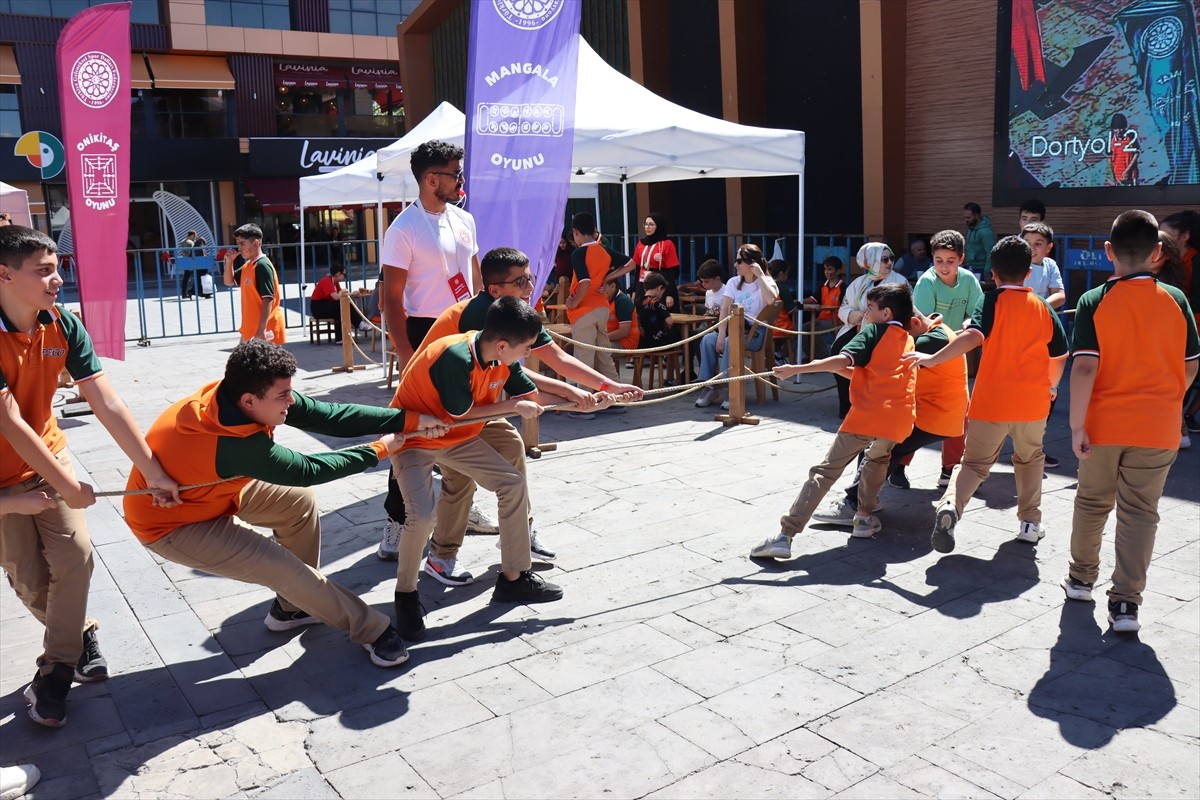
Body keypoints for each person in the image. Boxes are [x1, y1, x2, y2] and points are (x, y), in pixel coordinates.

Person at [124, 340, 449, 668]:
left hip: (215, 492)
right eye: (283, 396)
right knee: (283, 567)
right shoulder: (234, 443)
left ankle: (294, 607)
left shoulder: (241, 396)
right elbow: (307, 470)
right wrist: (380, 449)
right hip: (172, 524)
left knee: (299, 504)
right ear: (249, 400)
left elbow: (332, 416)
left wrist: (408, 420)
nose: (291, 401)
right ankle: (371, 629)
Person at [0, 225, 182, 727]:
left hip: (47, 458)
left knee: (75, 559)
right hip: (3, 481)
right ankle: (80, 634)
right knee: (30, 580)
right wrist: (66, 485)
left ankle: (54, 674)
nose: (58, 279)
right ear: (4, 274)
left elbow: (105, 400)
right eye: (44, 271)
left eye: (58, 267)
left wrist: (152, 470)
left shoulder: (63, 323)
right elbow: (9, 421)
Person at [376, 248, 638, 577]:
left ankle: (517, 539)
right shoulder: (480, 316)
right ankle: (434, 555)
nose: (530, 285)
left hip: (474, 401)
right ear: (495, 289)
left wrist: (602, 388)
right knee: (457, 479)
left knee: (511, 446)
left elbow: (544, 362)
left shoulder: (512, 313)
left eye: (529, 277)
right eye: (521, 280)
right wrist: (566, 392)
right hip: (437, 411)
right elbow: (510, 378)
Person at [391, 297, 602, 641]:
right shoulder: (455, 357)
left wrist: (582, 400)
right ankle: (406, 595)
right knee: (422, 516)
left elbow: (532, 397)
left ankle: (513, 579)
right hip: (414, 437)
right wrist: (514, 405)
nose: (527, 356)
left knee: (512, 483)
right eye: (526, 349)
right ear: (503, 345)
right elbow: (461, 413)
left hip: (457, 437)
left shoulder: (501, 356)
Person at [1062, 210, 1199, 633]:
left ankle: (1082, 579)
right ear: (1158, 252)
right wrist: (1168, 401)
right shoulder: (1176, 299)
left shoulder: (1094, 300)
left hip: (1103, 424)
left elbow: (1084, 369)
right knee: (1141, 513)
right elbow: (1191, 365)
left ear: (1108, 252)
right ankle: (1125, 604)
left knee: (1092, 502)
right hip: (1158, 427)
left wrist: (1076, 425)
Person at [905, 236, 1069, 555]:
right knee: (1030, 460)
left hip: (989, 402)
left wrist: (932, 358)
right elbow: (1059, 356)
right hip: (1033, 405)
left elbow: (972, 338)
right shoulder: (1044, 309)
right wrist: (1051, 386)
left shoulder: (991, 301)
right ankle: (1029, 524)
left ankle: (951, 506)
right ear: (1028, 273)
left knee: (974, 464)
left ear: (993, 273)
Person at [378, 140, 491, 555]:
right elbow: (391, 300)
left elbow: (476, 281)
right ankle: (396, 519)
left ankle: (462, 508)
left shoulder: (464, 219)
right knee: (412, 429)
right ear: (431, 179)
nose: (460, 181)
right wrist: (407, 355)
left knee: (466, 421)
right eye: (454, 174)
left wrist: (487, 328)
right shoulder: (403, 228)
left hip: (464, 328)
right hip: (425, 330)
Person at [750, 283, 917, 555]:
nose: (865, 314)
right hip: (897, 419)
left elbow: (842, 360)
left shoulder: (874, 330)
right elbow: (872, 375)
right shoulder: (907, 338)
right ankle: (863, 518)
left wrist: (797, 368)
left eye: (870, 309)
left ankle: (786, 535)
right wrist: (833, 369)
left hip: (868, 416)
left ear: (885, 313)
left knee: (825, 472)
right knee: (877, 461)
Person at [817, 305, 968, 521]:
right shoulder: (938, 329)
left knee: (877, 448)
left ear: (914, 324)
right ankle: (867, 500)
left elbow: (881, 379)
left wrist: (835, 366)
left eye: (900, 333)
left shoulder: (924, 342)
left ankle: (854, 505)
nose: (897, 338)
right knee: (882, 449)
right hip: (941, 415)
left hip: (934, 417)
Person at [695, 244, 780, 410]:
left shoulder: (767, 281)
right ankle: (709, 386)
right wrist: (720, 333)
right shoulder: (733, 282)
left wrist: (761, 276)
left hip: (755, 333)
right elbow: (725, 309)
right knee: (708, 339)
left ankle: (731, 388)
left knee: (729, 341)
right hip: (732, 329)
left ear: (752, 263)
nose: (735, 265)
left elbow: (771, 301)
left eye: (739, 261)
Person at [830, 243, 907, 417]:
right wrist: (856, 315)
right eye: (884, 259)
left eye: (891, 259)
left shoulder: (900, 282)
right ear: (870, 261)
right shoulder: (859, 283)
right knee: (838, 351)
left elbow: (907, 309)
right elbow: (844, 307)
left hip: (886, 332)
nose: (889, 263)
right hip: (856, 327)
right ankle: (847, 406)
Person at [566, 212, 634, 384]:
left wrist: (573, 302)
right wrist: (608, 278)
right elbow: (631, 263)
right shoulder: (604, 250)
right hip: (602, 307)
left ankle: (585, 405)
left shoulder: (578, 253)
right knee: (604, 356)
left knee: (584, 357)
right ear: (594, 230)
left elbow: (585, 282)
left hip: (584, 310)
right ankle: (614, 398)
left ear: (576, 232)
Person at [1021, 221, 1067, 468]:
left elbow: (1060, 294)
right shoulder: (1017, 263)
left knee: (1048, 390)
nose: (1033, 248)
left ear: (1048, 247)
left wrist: (1041, 306)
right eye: (1027, 243)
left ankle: (1036, 446)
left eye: (1038, 244)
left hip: (1044, 334)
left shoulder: (1050, 265)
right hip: (1019, 336)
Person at [1161, 211, 1200, 438]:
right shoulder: (1167, 258)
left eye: (1166, 234)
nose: (1160, 238)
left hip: (1190, 328)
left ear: (1184, 236)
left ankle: (1181, 422)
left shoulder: (1196, 261)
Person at [222, 223, 285, 344]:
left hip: (263, 331)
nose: (239, 248)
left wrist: (261, 330)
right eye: (238, 244)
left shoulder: (262, 266)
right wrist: (229, 262)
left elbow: (268, 299)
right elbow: (228, 281)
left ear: (256, 243)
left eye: (242, 244)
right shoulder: (248, 265)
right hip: (251, 329)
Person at [803, 256, 845, 360]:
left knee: (815, 330)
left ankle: (822, 357)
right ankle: (810, 356)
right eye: (825, 269)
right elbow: (813, 299)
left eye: (830, 269)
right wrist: (798, 301)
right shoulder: (823, 286)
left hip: (836, 320)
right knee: (802, 328)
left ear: (838, 271)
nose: (826, 272)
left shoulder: (843, 287)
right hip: (821, 319)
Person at [631, 212, 681, 287]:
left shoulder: (667, 244)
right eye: (646, 224)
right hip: (643, 283)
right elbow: (638, 268)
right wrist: (634, 289)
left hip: (661, 284)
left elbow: (672, 271)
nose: (647, 227)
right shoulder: (641, 243)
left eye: (651, 224)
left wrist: (670, 294)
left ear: (659, 226)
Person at [768, 260, 797, 365]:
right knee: (800, 335)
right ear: (781, 273)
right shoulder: (782, 287)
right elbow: (792, 310)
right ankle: (777, 354)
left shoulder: (765, 285)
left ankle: (773, 354)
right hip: (781, 327)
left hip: (765, 326)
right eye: (787, 274)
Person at [310, 264, 347, 343]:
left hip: (325, 304)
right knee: (340, 304)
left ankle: (339, 338)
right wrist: (347, 293)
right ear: (338, 274)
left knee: (339, 312)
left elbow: (339, 293)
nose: (344, 277)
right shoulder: (327, 281)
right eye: (344, 274)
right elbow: (336, 297)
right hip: (318, 307)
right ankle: (359, 323)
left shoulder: (335, 282)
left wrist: (345, 293)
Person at [963, 202, 996, 276]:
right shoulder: (970, 229)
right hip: (970, 266)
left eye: (968, 217)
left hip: (982, 268)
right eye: (965, 217)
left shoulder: (986, 232)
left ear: (977, 216)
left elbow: (990, 253)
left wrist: (987, 271)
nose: (966, 220)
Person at [1109, 113, 1139, 186]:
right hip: (1117, 177)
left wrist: (1127, 171)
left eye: (1120, 128)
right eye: (1116, 128)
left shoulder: (1130, 137)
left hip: (1130, 176)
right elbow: (1109, 160)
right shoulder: (1111, 141)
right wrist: (1113, 177)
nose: (1118, 131)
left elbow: (1136, 153)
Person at [181, 229, 198, 299]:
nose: (195, 238)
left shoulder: (182, 242)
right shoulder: (190, 242)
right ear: (192, 235)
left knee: (186, 278)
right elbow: (192, 252)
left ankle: (184, 293)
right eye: (195, 236)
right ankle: (191, 291)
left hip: (185, 261)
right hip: (191, 261)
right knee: (196, 276)